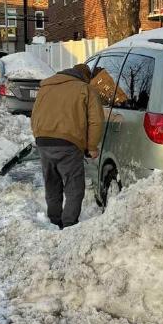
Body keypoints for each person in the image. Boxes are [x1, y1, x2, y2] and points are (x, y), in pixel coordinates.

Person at [31, 63, 104, 229]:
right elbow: (96, 120)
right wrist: (91, 147)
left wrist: (39, 136)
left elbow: (34, 114)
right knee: (74, 186)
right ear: (86, 77)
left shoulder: (46, 87)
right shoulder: (85, 89)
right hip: (68, 143)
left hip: (43, 140)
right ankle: (70, 224)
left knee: (52, 183)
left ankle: (54, 220)